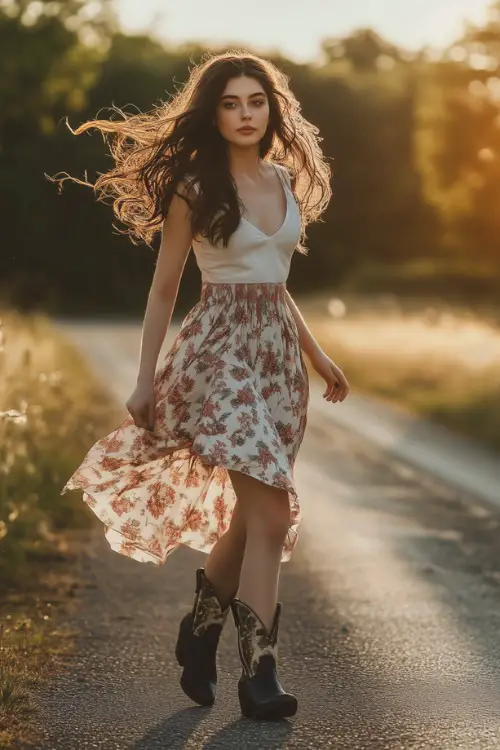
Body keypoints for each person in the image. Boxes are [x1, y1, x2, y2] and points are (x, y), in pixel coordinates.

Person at [56, 50, 349, 720]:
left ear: (272, 109)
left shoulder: (282, 178)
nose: (245, 114)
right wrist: (143, 379)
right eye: (230, 103)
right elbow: (165, 290)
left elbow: (276, 285)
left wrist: (319, 356)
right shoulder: (195, 185)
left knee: (252, 520)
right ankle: (260, 677)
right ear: (212, 113)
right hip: (218, 353)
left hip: (276, 358)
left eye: (256, 102)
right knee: (273, 512)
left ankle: (199, 633)